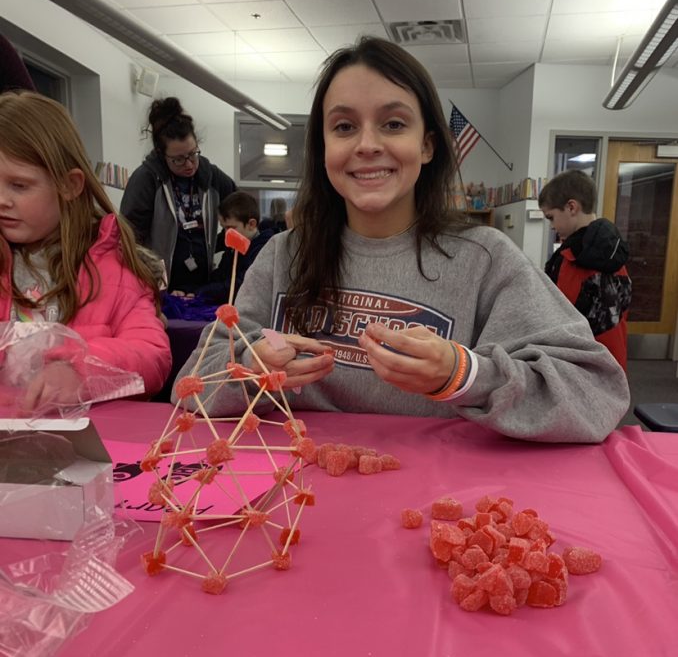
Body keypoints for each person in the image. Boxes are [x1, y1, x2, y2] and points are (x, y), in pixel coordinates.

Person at [173, 36, 630, 443]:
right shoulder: (281, 255)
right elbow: (190, 384)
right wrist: (254, 370)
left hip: (431, 514)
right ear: (323, 148)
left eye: (393, 124)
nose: (367, 144)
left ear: (427, 145)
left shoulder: (485, 258)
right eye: (344, 127)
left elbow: (597, 395)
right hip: (293, 506)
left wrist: (466, 375)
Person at [0, 91, 171, 408]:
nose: (2, 200)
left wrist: (81, 370)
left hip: (86, 443)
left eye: (19, 185)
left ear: (69, 185)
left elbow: (152, 355)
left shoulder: (114, 269)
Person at [121, 97, 236, 296]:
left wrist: (222, 244)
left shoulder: (210, 176)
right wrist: (155, 286)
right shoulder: (146, 180)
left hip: (202, 287)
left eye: (193, 154)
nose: (189, 164)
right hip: (160, 290)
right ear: (161, 154)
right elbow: (130, 243)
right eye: (179, 160)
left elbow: (241, 209)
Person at [539, 170, 632, 370]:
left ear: (571, 207)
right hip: (614, 363)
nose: (552, 226)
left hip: (579, 368)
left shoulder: (571, 259)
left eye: (551, 217)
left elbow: (557, 318)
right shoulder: (615, 253)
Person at [200, 191, 275, 304]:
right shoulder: (233, 248)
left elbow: (240, 285)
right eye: (224, 228)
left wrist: (201, 292)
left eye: (231, 228)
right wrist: (189, 290)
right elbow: (220, 276)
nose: (226, 233)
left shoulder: (264, 250)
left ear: (251, 224)